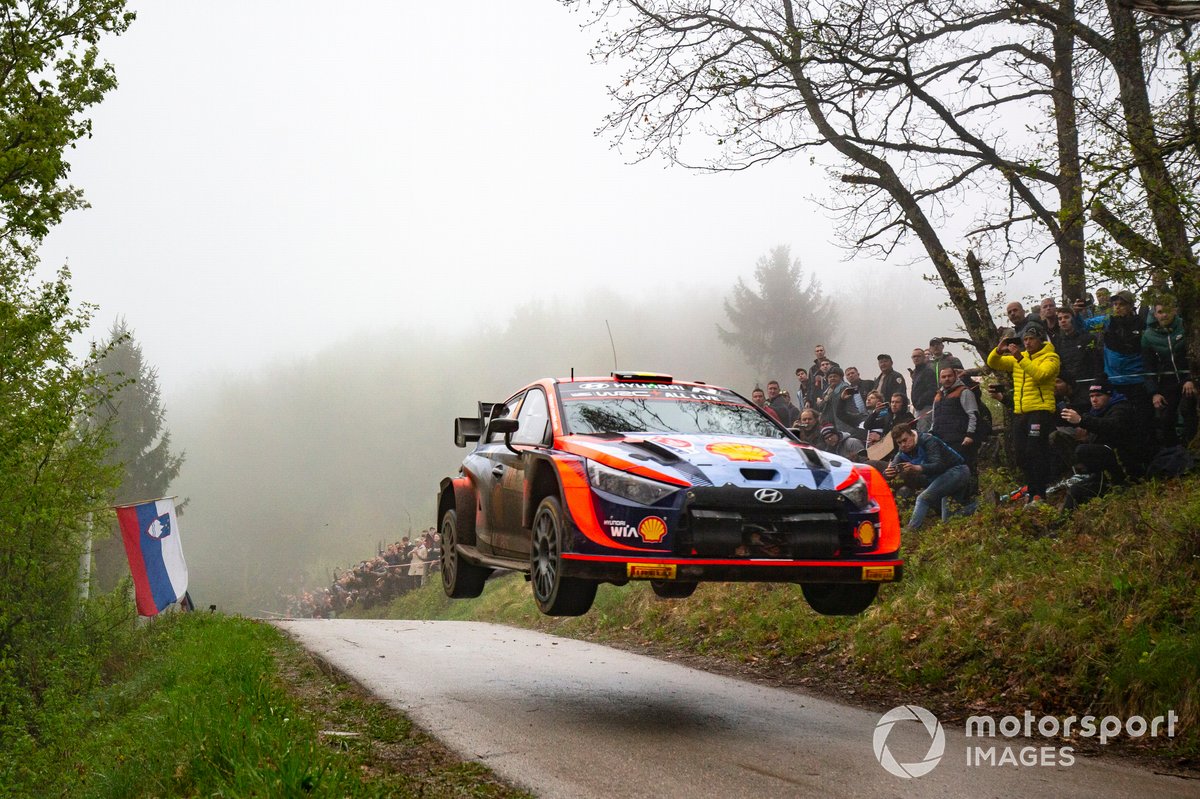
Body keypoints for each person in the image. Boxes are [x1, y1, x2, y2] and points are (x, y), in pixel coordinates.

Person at [986, 326, 1061, 502]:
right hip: (1021, 412)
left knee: (1036, 451)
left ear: (1040, 340)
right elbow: (993, 363)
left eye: (1031, 339)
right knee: (1021, 454)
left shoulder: (1051, 357)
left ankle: (1039, 493)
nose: (1027, 342)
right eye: (1025, 339)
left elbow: (1040, 375)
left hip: (1040, 410)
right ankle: (1031, 489)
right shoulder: (1019, 358)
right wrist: (999, 349)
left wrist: (1019, 357)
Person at [1058, 378, 1151, 507]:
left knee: (1084, 450)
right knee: (1075, 490)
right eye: (1091, 396)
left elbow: (1112, 427)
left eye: (1098, 395)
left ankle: (1120, 485)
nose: (1094, 400)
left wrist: (1081, 420)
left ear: (1109, 395)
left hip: (1127, 465)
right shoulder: (1095, 412)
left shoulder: (1121, 408)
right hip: (1104, 471)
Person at [884, 424, 976, 529]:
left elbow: (938, 465)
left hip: (957, 471)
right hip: (945, 477)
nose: (903, 445)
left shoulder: (928, 440)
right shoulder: (902, 452)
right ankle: (982, 505)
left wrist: (917, 468)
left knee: (923, 499)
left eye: (905, 440)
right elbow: (891, 468)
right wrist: (887, 473)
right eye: (899, 443)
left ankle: (911, 530)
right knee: (949, 519)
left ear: (912, 435)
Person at [1142, 299, 1196, 447]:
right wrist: (1154, 392)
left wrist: (1191, 378)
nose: (1164, 315)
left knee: (1188, 411)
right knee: (1165, 418)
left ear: (1174, 311)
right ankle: (1172, 453)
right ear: (1155, 314)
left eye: (1167, 311)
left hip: (1188, 379)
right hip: (1167, 382)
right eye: (1160, 312)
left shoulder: (1186, 326)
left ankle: (1191, 448)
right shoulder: (1148, 335)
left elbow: (1195, 356)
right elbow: (1148, 366)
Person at [930, 366, 981, 469]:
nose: (947, 379)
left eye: (949, 376)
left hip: (961, 441)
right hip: (942, 441)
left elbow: (973, 415)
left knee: (966, 470)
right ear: (940, 379)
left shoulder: (964, 392)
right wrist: (931, 433)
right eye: (944, 377)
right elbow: (934, 419)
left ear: (955, 376)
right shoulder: (938, 396)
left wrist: (970, 435)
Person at [1054, 306, 1101, 406]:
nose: (1063, 321)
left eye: (1066, 317)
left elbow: (1097, 364)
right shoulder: (1057, 342)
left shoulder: (1088, 338)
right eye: (1060, 318)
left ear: (1073, 319)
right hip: (1070, 390)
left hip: (1088, 386)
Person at [909, 347, 937, 416]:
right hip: (918, 408)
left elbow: (932, 390)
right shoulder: (915, 372)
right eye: (914, 356)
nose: (916, 358)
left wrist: (920, 402)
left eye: (918, 356)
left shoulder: (928, 371)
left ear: (924, 357)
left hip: (926, 407)